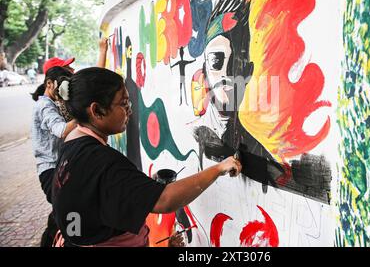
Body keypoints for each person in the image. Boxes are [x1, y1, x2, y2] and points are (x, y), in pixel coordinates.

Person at [51, 67, 242, 247]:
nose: (130, 110)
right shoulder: (101, 160)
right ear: (96, 111)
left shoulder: (72, 141)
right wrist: (218, 169)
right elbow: (165, 200)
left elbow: (98, 197)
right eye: (124, 104)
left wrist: (137, 188)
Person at [30, 66, 78, 247]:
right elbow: (62, 130)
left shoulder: (53, 104)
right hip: (50, 170)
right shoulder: (45, 106)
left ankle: (52, 240)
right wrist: (84, 115)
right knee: (67, 208)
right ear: (49, 83)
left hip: (56, 168)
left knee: (64, 210)